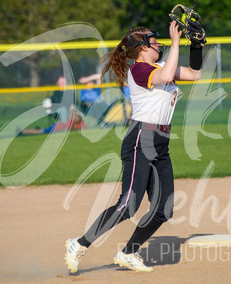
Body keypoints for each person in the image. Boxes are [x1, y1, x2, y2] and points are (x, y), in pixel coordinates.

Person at [64, 20, 204, 273]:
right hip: (141, 139)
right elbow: (164, 76)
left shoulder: (162, 64)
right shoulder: (139, 70)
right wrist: (175, 43)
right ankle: (79, 244)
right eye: (153, 40)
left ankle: (129, 252)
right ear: (141, 47)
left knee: (164, 209)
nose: (157, 43)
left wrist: (195, 47)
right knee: (128, 205)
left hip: (161, 142)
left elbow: (195, 75)